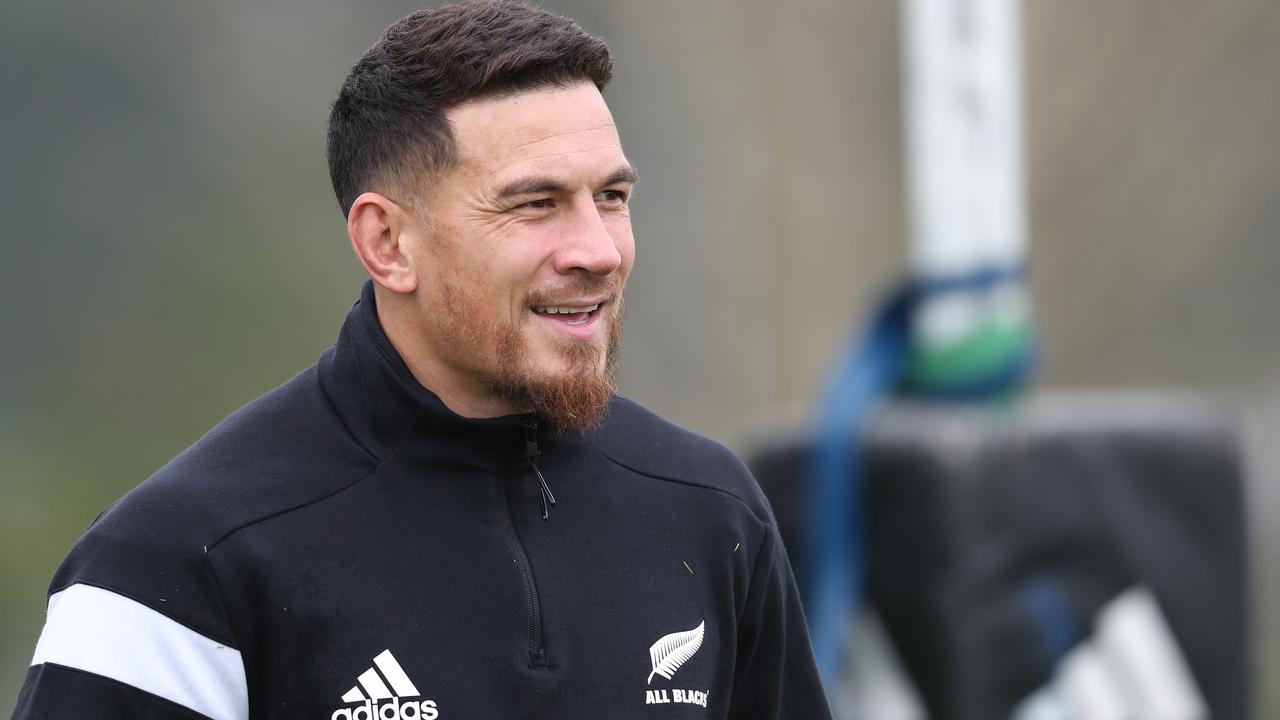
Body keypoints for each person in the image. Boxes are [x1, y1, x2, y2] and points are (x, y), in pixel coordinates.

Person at [12, 2, 831, 718]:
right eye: (535, 203)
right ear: (387, 242)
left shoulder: (711, 511)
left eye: (610, 198)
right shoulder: (172, 559)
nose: (597, 250)